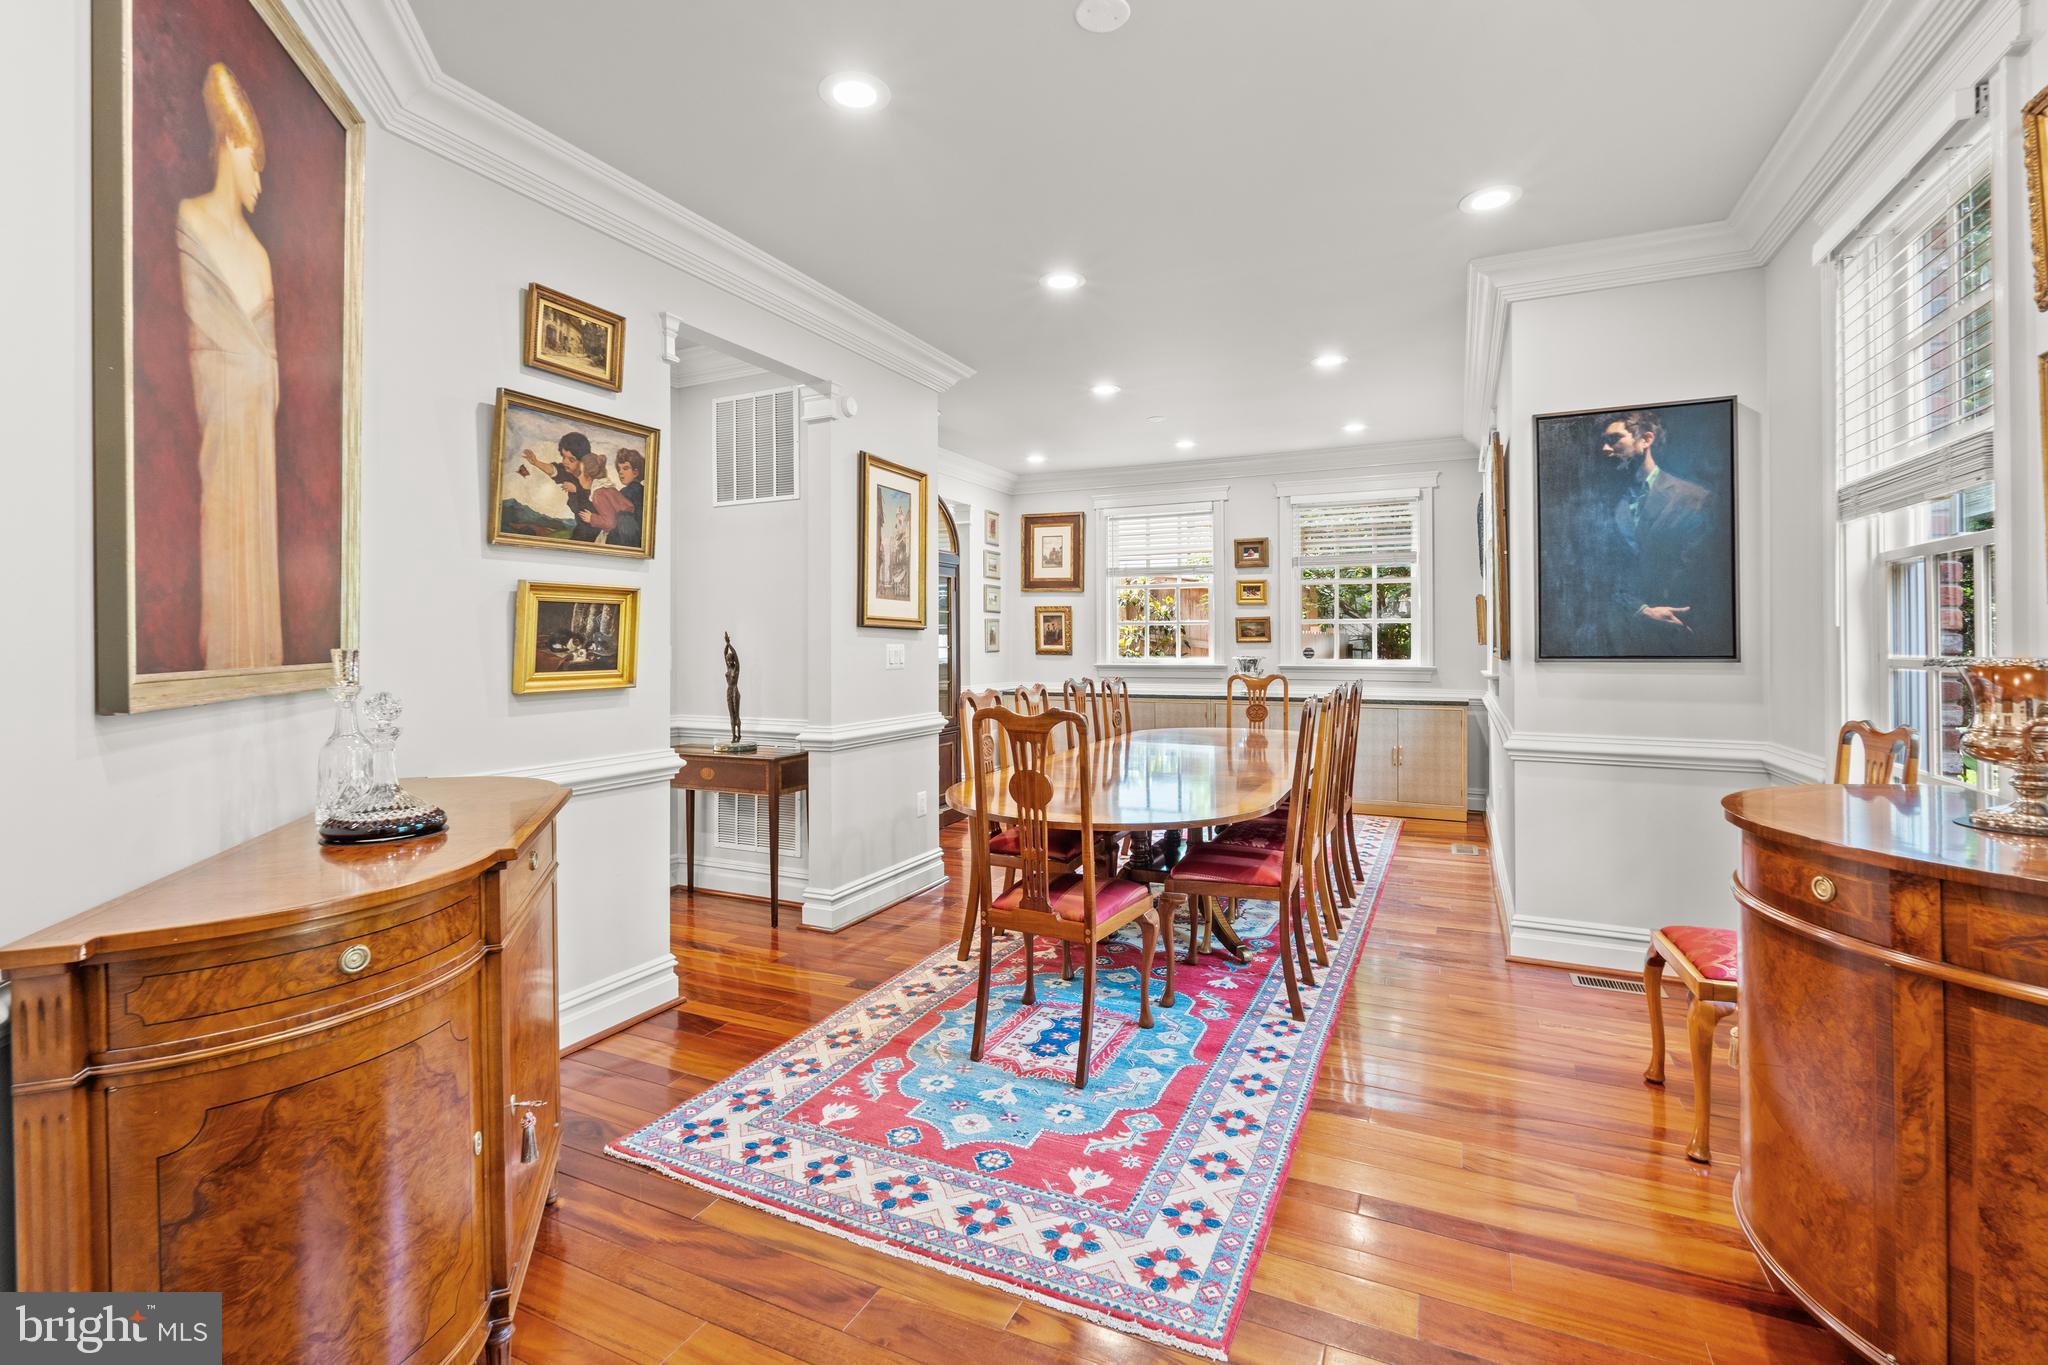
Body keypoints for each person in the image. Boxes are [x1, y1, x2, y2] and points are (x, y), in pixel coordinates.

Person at [178, 62, 282, 670]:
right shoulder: (189, 221)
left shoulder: (261, 255)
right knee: (221, 540)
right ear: (230, 145)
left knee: (256, 554)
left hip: (254, 434)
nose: (259, 183)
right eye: (254, 164)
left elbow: (263, 358)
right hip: (220, 421)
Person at [1595, 410, 1729, 654]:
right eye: (1603, 441)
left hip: (1684, 637)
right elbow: (1597, 576)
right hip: (1619, 640)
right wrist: (1640, 611)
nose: (1605, 448)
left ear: (1646, 439)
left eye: (1614, 439)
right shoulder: (1600, 504)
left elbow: (1706, 577)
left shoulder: (1694, 499)